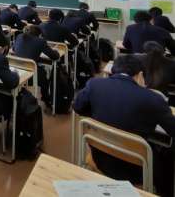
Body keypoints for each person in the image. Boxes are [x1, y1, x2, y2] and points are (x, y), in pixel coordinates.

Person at [74, 54, 175, 197]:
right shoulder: (153, 99)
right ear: (140, 75)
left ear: (113, 71)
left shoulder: (94, 84)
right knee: (168, 154)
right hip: (137, 170)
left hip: (100, 158)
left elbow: (77, 107)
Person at [13, 25, 60, 102]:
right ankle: (46, 98)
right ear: (39, 34)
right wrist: (56, 51)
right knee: (44, 74)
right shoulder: (40, 41)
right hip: (31, 75)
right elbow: (54, 56)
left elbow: (14, 49)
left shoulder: (19, 36)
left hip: (17, 71)